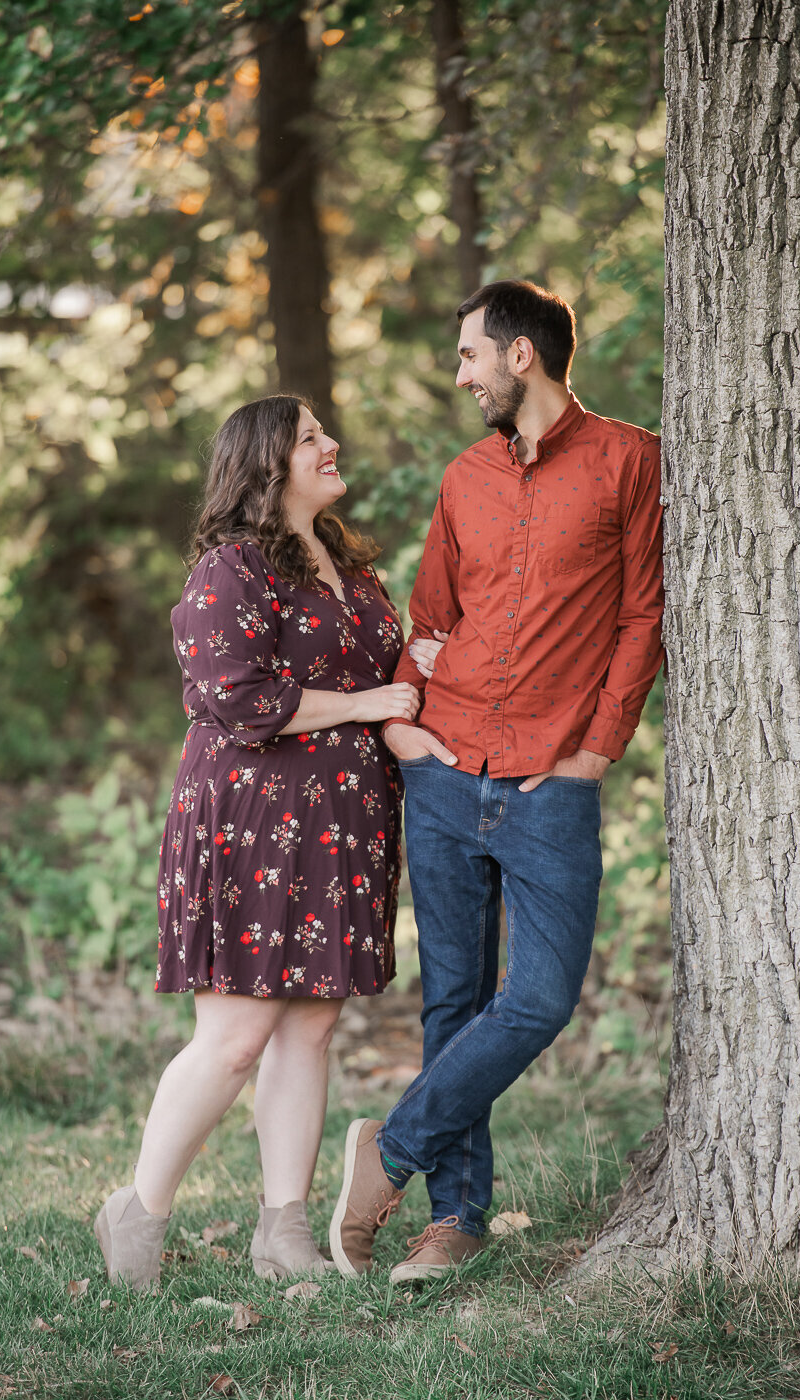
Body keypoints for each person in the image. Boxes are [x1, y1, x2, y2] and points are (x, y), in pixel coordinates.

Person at [329, 279, 665, 1283]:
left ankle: (389, 1149)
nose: (461, 371)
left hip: (550, 778)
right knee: (455, 998)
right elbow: (431, 618)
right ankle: (454, 1217)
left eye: (471, 353)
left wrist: (596, 750)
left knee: (542, 995)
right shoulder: (465, 475)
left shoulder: (628, 461)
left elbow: (643, 615)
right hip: (443, 762)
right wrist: (401, 720)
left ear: (523, 354)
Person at [95, 394, 418, 1290]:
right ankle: (139, 1211)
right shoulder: (229, 569)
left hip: (343, 821)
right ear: (265, 463)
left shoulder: (348, 562)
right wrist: (359, 706)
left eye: (324, 432)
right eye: (310, 436)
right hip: (252, 819)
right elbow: (236, 696)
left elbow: (385, 673)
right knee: (236, 1036)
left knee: (310, 1030)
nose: (331, 443)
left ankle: (282, 1231)